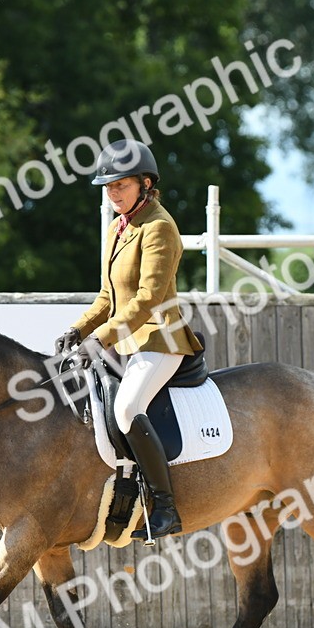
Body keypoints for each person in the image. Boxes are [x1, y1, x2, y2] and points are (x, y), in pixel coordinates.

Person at [54, 139, 203, 541]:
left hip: (160, 339)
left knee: (127, 408)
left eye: (120, 185)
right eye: (108, 187)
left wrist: (100, 338)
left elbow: (147, 299)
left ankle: (166, 507)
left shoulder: (159, 228)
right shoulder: (118, 228)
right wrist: (79, 329)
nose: (113, 193)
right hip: (124, 345)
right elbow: (108, 297)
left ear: (145, 183)